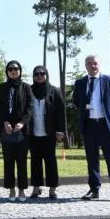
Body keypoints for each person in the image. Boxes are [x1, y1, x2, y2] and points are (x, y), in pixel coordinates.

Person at [72, 54, 110, 203]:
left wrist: (109, 111)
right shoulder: (80, 83)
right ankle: (94, 190)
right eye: (89, 63)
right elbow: (76, 101)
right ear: (85, 66)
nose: (92, 66)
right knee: (92, 160)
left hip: (106, 125)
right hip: (89, 125)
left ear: (99, 65)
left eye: (95, 63)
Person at [0, 60, 33, 202]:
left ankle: (22, 190)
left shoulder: (26, 87)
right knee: (8, 161)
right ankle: (11, 189)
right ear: (7, 72)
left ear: (20, 71)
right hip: (6, 129)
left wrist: (22, 123)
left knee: (22, 161)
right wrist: (5, 122)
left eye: (16, 69)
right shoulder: (2, 87)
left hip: (22, 130)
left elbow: (30, 107)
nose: (13, 71)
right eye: (10, 69)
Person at [29, 65, 65, 200]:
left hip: (49, 132)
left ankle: (52, 188)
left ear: (46, 75)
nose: (39, 76)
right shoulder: (29, 90)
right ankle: (36, 187)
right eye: (36, 74)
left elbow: (61, 112)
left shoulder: (54, 91)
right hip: (33, 132)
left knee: (50, 161)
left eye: (42, 73)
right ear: (33, 76)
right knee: (35, 161)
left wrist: (60, 130)